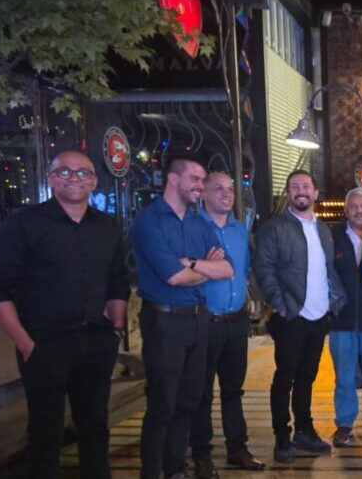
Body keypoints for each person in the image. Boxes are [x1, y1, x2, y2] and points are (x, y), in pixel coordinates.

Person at [0, 151, 129, 479]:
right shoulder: (23, 224)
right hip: (44, 344)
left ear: (94, 181)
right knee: (45, 433)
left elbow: (117, 280)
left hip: (96, 340)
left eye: (82, 173)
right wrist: (25, 343)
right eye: (64, 171)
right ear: (50, 178)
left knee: (95, 427)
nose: (73, 178)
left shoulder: (106, 227)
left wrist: (117, 328)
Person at [133, 154, 234, 479]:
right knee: (163, 403)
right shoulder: (149, 221)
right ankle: (151, 473)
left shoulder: (198, 224)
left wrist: (192, 263)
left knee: (189, 401)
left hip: (198, 320)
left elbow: (228, 269)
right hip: (164, 322)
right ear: (173, 179)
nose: (200, 186)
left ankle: (175, 469)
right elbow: (172, 277)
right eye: (195, 179)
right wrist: (205, 268)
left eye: (202, 180)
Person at [254, 169, 347, 462]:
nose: (301, 191)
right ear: (288, 193)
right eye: (294, 186)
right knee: (285, 378)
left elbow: (327, 270)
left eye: (306, 186)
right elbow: (263, 269)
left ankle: (304, 431)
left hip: (319, 317)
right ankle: (282, 438)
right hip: (291, 317)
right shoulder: (275, 228)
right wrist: (281, 304)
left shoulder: (323, 230)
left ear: (315, 193)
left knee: (307, 377)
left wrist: (332, 301)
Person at [190, 173, 265, 477]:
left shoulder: (240, 230)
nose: (226, 194)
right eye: (218, 188)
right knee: (202, 393)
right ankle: (201, 455)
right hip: (205, 321)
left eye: (230, 189)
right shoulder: (193, 228)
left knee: (233, 390)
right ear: (203, 194)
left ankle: (237, 449)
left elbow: (245, 272)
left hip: (236, 321)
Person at [329, 187, 362, 447]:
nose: (359, 211)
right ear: (345, 209)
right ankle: (344, 424)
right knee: (344, 376)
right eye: (353, 206)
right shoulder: (331, 237)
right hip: (342, 320)